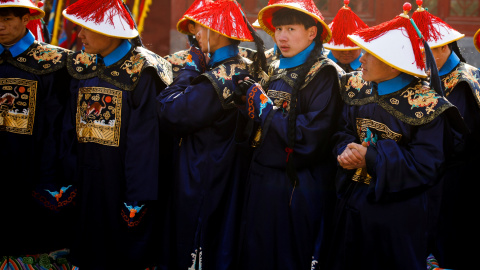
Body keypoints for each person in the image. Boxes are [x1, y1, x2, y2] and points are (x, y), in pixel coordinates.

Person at [328, 3, 467, 270]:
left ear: (394, 64)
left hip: (398, 214)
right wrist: (345, 149)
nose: (361, 60)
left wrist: (370, 156)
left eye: (370, 55)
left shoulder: (427, 106)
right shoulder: (359, 89)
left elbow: (427, 164)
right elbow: (342, 129)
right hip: (351, 201)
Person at [61, 0, 173, 269]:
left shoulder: (143, 71)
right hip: (87, 180)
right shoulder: (84, 66)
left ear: (111, 31)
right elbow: (69, 127)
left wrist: (137, 198)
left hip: (123, 184)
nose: (81, 36)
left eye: (87, 29)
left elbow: (144, 142)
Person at [233, 0, 344, 269]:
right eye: (279, 29)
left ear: (311, 32)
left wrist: (263, 107)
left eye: (291, 28)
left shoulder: (324, 74)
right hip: (261, 180)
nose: (282, 36)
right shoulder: (273, 67)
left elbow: (310, 137)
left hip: (296, 186)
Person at [156, 0, 267, 269]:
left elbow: (170, 110)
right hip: (225, 169)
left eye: (199, 29)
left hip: (205, 173)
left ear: (215, 32)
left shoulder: (221, 76)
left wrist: (188, 72)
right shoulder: (243, 66)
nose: (195, 35)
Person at [0, 0, 75, 268]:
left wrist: (54, 174)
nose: (1, 26)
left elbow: (61, 126)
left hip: (38, 170)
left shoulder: (56, 63)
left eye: (7, 19)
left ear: (25, 19)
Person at [412, 2, 480, 269]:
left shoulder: (461, 80)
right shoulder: (435, 74)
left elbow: (457, 138)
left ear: (443, 48)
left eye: (422, 49)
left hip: (453, 175)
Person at [324, 0, 368, 72]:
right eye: (341, 46)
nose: (346, 52)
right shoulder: (318, 66)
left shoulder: (371, 67)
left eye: (352, 46)